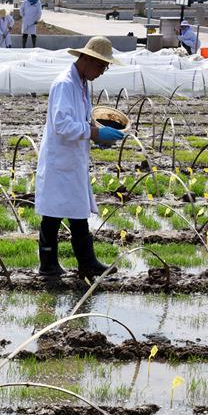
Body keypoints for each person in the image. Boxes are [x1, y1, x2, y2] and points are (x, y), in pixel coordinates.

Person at [35, 36, 124, 279]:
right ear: (86, 59)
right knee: (53, 215)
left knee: (77, 212)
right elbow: (62, 124)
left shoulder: (82, 83)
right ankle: (49, 266)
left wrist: (98, 134)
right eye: (101, 66)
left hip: (72, 160)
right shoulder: (65, 84)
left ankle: (87, 263)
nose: (102, 72)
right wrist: (95, 132)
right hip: (59, 161)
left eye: (105, 67)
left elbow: (83, 118)